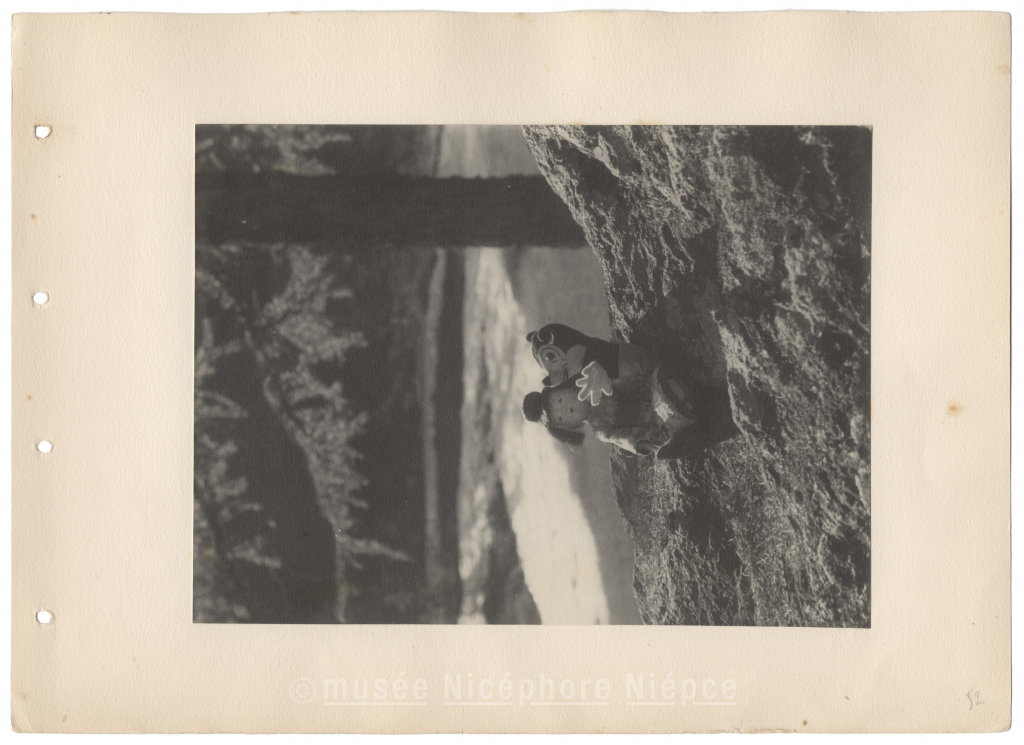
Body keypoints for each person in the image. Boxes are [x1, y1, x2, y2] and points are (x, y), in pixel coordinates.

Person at [522, 367, 698, 458]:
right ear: (569, 426)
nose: (566, 410)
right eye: (561, 418)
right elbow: (630, 439)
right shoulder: (603, 430)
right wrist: (651, 440)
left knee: (660, 382)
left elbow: (631, 383)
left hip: (650, 392)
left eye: (560, 401)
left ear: (567, 388)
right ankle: (682, 415)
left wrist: (646, 384)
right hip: (655, 423)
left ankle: (680, 403)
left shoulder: (597, 384)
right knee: (667, 428)